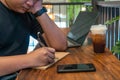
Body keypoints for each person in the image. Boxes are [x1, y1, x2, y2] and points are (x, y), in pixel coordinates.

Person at [0, 0, 67, 79]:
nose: (30, 3)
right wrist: (29, 59)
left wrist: (38, 9)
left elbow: (60, 45)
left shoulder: (27, 12)